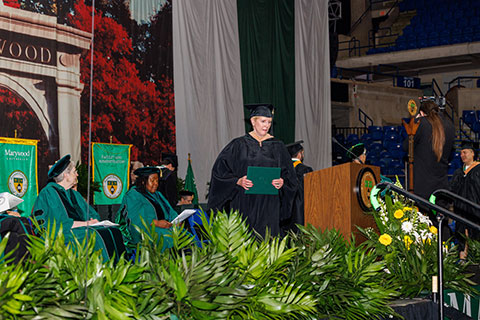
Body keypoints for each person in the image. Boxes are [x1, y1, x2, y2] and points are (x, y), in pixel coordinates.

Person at [207, 103, 298, 238]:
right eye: (263, 121)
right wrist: (237, 181)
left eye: (269, 122)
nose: (266, 125)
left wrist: (282, 182)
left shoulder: (278, 147)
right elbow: (219, 172)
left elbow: (290, 177)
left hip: (269, 204)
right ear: (253, 121)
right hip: (244, 202)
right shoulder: (238, 145)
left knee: (268, 240)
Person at [32, 155, 126, 262]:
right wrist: (87, 224)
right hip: (59, 237)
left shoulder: (73, 194)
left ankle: (119, 270)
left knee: (113, 231)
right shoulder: (49, 193)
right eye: (74, 171)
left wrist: (92, 220)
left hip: (79, 230)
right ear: (66, 175)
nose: (77, 174)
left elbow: (92, 214)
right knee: (94, 235)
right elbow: (61, 224)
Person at [402, 101, 455, 201]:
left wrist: (416, 121)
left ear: (422, 113)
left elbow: (406, 147)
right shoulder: (450, 125)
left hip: (421, 186)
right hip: (441, 185)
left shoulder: (421, 123)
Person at [119, 166, 178, 251]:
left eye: (157, 181)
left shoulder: (158, 195)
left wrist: (177, 220)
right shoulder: (133, 195)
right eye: (152, 180)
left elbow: (170, 211)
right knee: (167, 237)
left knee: (184, 234)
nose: (156, 184)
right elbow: (135, 219)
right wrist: (156, 223)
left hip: (164, 227)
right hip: (143, 231)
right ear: (143, 181)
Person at [450, 141, 480, 256]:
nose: (462, 155)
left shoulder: (478, 169)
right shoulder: (458, 172)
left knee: (475, 235)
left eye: (465, 152)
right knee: (461, 233)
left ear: (472, 153)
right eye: (461, 153)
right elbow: (452, 190)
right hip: (460, 210)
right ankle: (463, 256)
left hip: (475, 210)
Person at [282, 140, 313, 233]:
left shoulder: (283, 170)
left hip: (286, 207)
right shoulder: (306, 169)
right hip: (301, 206)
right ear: (299, 154)